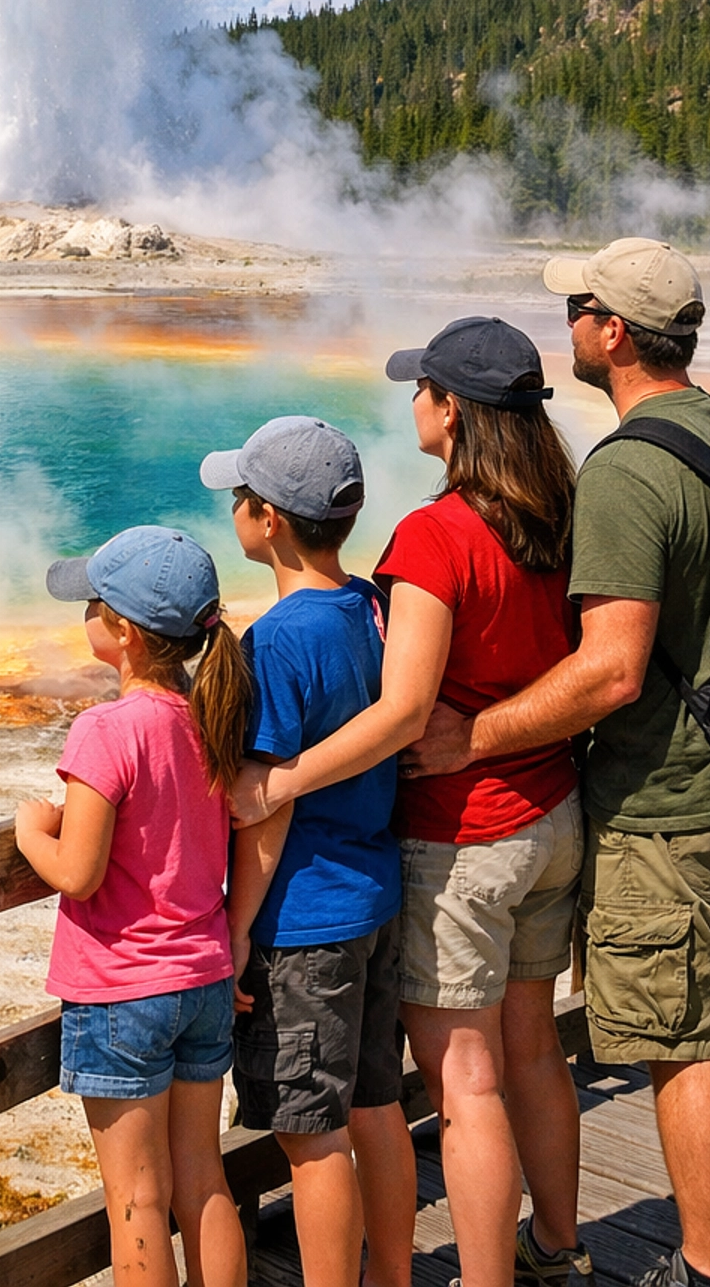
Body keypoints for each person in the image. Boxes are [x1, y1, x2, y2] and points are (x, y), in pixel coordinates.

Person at [404, 240, 710, 1287]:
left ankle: (709, 1271)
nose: (569, 322)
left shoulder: (629, 470)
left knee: (682, 1040)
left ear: (613, 332)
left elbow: (609, 673)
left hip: (668, 801)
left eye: (580, 306)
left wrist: (473, 737)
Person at [232, 324, 592, 1287]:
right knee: (532, 1051)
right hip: (553, 810)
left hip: (466, 832)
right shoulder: (560, 512)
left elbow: (401, 712)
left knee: (465, 1082)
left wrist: (288, 776)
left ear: (456, 411)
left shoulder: (437, 536)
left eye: (424, 388)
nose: (414, 404)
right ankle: (557, 1245)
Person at [201, 414, 416, 1287]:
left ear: (270, 521)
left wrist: (238, 927)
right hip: (375, 896)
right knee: (376, 1108)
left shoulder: (279, 641)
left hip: (306, 920)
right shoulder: (373, 606)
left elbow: (267, 807)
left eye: (241, 500)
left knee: (310, 1138)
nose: (236, 514)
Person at [14, 524, 253, 1287]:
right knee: (203, 1182)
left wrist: (28, 830)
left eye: (90, 600)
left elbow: (79, 872)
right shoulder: (210, 715)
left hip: (124, 993)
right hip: (204, 978)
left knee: (137, 1202)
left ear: (120, 632)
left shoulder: (105, 730)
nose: (81, 611)